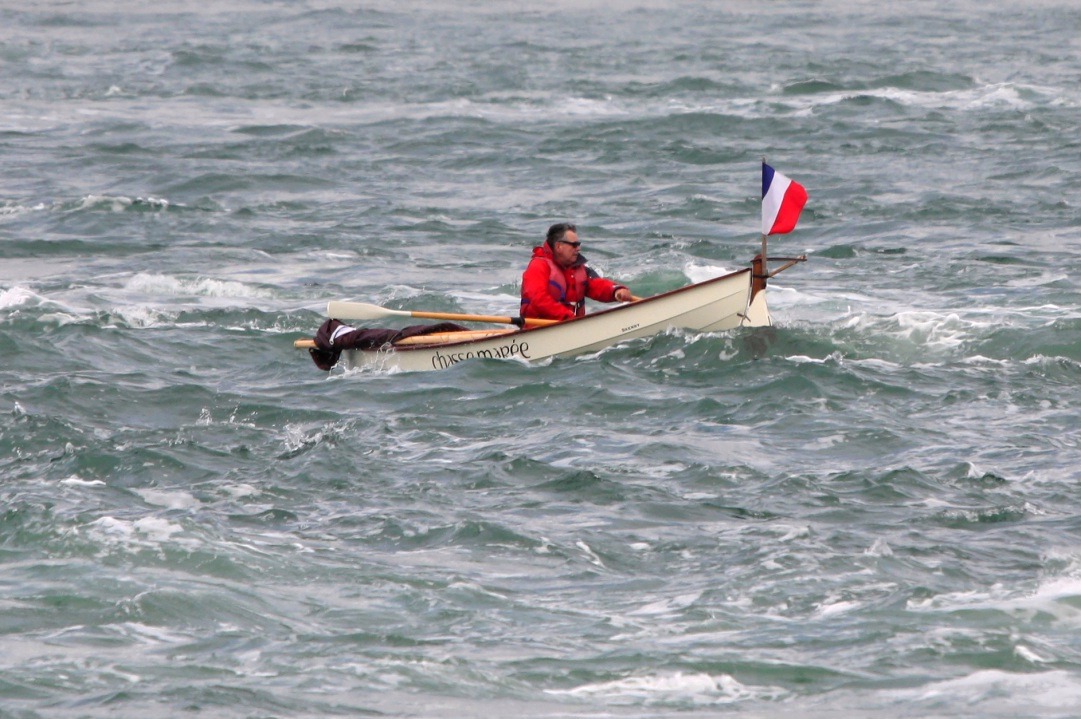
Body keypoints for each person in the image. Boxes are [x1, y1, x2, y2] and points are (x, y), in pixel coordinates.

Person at [520, 222, 633, 321]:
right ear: (559, 246)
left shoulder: (578, 268)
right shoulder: (538, 266)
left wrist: (615, 291)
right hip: (540, 329)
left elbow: (596, 285)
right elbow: (538, 299)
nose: (578, 248)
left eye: (578, 244)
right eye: (574, 245)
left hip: (569, 326)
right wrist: (568, 318)